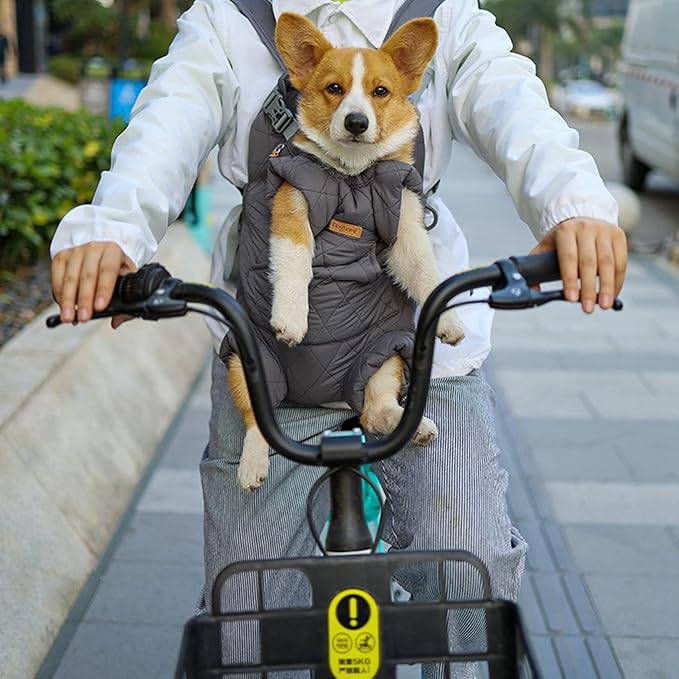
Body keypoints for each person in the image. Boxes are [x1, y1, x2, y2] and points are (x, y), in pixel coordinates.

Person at [50, 1, 627, 676]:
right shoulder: (229, 17)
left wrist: (573, 205)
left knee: (470, 575)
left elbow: (510, 100)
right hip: (275, 336)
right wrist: (112, 231)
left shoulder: (440, 14)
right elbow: (167, 119)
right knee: (245, 616)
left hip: (411, 339)